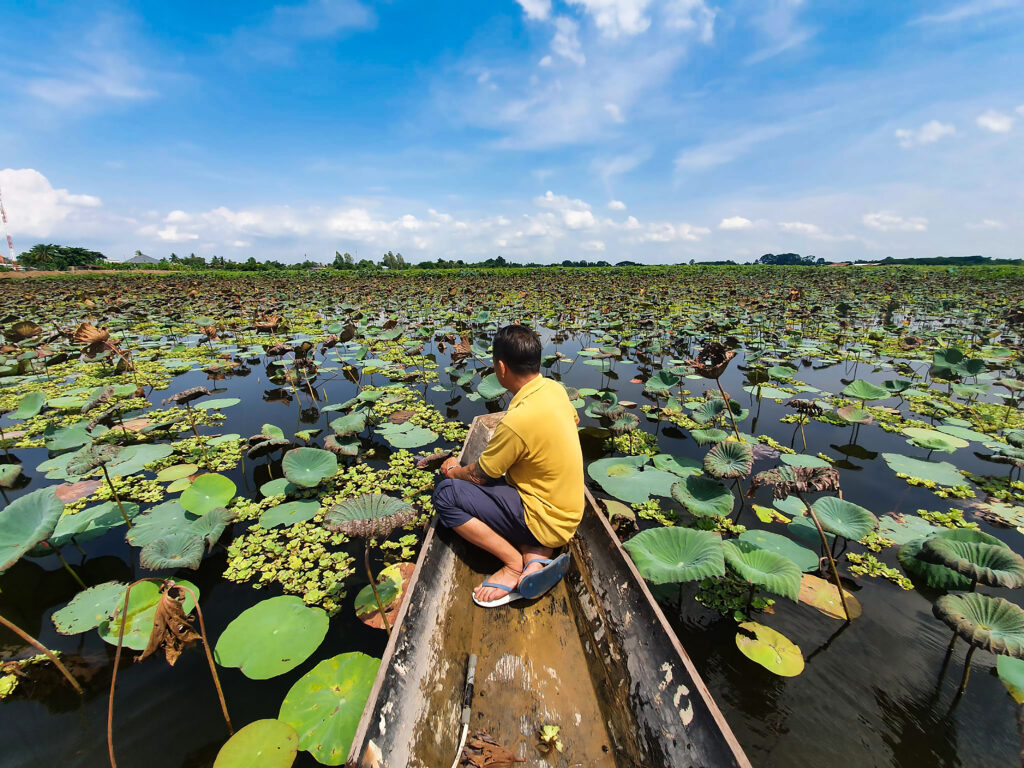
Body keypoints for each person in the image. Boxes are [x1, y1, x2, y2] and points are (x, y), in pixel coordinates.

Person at [432, 325, 584, 607]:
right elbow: (572, 422)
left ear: (501, 368)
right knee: (504, 476)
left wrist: (453, 470)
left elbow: (479, 475)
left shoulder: (518, 420)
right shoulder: (554, 389)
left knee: (445, 494)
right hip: (568, 516)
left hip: (542, 517)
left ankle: (514, 564)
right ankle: (536, 555)